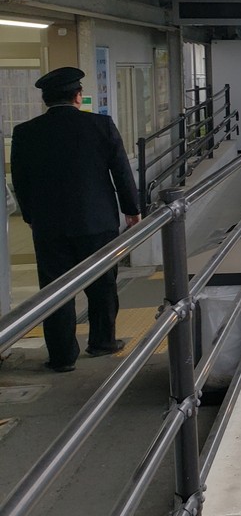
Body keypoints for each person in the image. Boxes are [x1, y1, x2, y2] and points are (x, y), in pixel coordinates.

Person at [10, 67, 142, 372]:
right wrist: (132, 210)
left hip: (49, 226)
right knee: (102, 284)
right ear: (78, 96)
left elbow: (21, 181)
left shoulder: (26, 132)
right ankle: (102, 342)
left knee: (55, 291)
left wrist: (30, 216)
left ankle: (62, 356)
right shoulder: (100, 126)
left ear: (46, 100)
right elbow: (121, 172)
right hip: (97, 223)